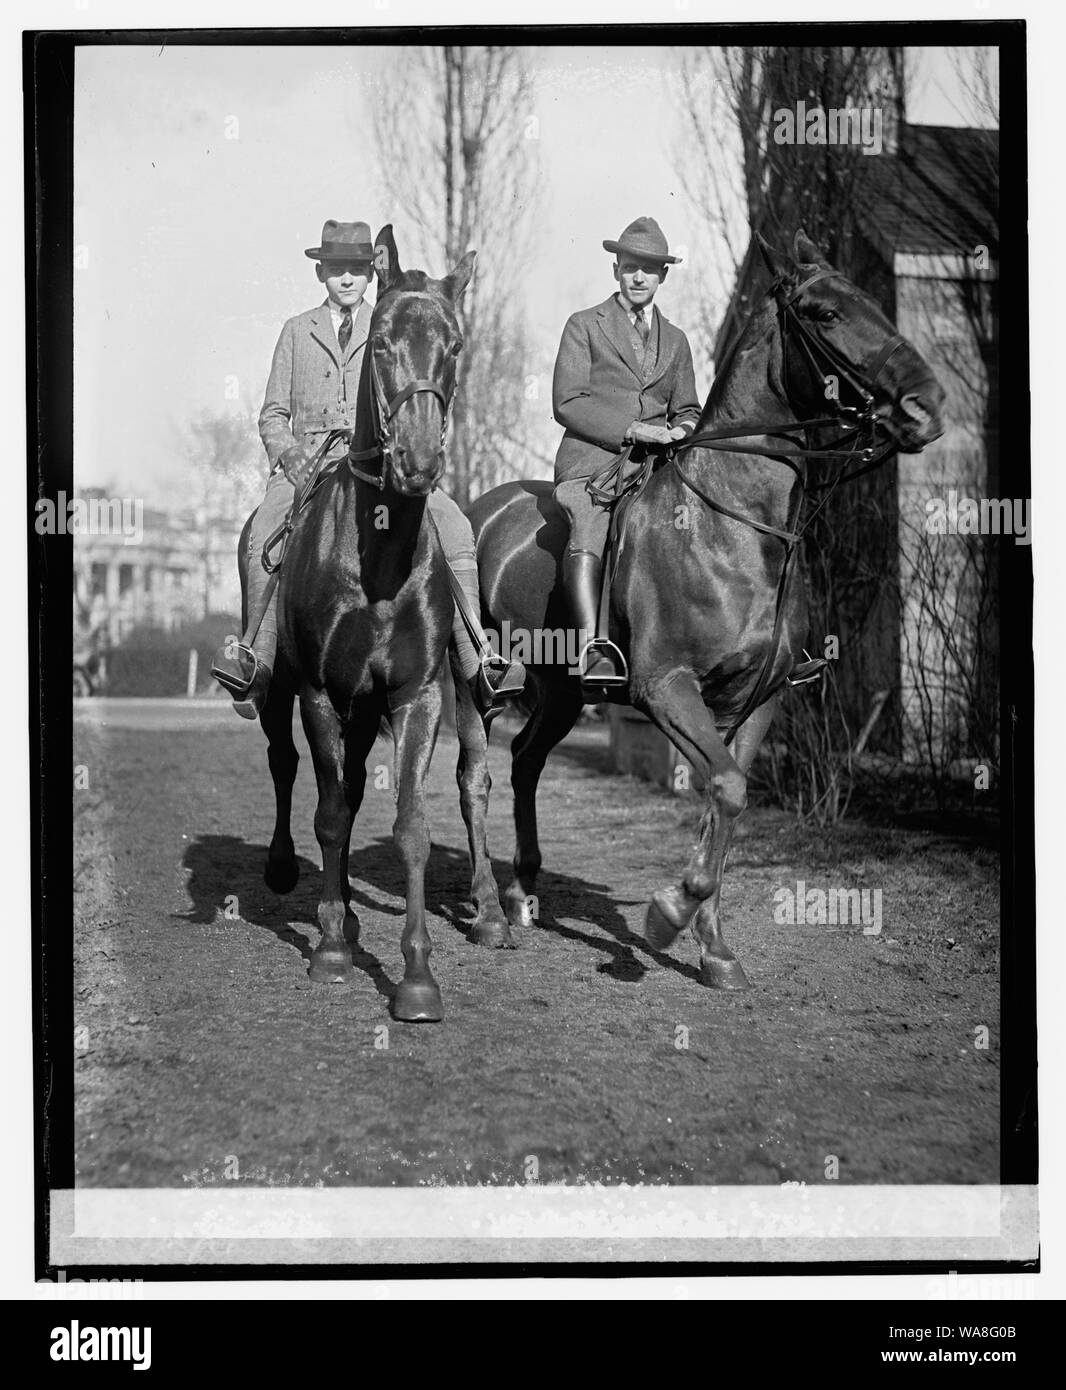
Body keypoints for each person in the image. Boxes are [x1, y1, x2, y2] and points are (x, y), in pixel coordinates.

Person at [211, 219, 524, 718]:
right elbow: (272, 413)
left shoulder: (391, 323)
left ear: (370, 274)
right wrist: (289, 456)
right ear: (321, 273)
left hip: (376, 468)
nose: (348, 279)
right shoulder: (296, 331)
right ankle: (256, 660)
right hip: (306, 468)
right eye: (337, 270)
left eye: (357, 269)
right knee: (263, 532)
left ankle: (480, 661)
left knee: (457, 527)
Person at [551, 217, 702, 690]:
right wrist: (635, 430)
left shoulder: (676, 341)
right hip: (595, 466)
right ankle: (593, 647)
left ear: (663, 276)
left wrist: (681, 430)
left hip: (659, 468)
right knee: (592, 523)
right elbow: (567, 402)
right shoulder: (584, 326)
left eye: (650, 269)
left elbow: (690, 408)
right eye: (631, 267)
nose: (639, 277)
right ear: (617, 269)